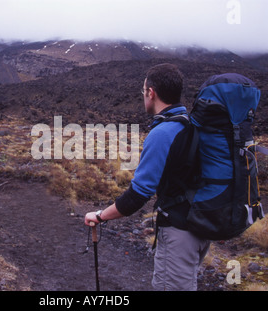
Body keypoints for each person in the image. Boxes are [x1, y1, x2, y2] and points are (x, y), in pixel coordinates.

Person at [84, 63, 210, 291]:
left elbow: (137, 196)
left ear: (151, 93)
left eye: (143, 92)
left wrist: (100, 216)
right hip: (201, 228)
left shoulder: (162, 133)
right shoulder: (192, 124)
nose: (143, 96)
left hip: (180, 232)